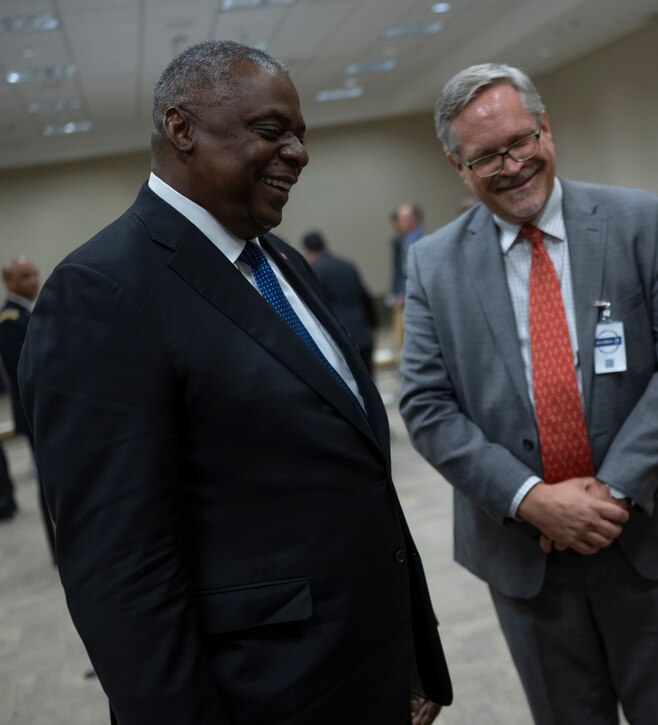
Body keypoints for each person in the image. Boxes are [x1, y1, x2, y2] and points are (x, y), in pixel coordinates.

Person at [19, 40, 451, 724]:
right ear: (181, 128)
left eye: (301, 137)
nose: (299, 154)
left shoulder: (279, 260)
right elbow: (121, 577)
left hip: (366, 669)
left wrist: (404, 655)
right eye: (271, 131)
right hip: (265, 697)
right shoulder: (101, 292)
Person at [399, 63, 658, 724]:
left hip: (648, 535)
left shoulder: (639, 221)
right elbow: (427, 405)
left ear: (547, 128)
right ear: (458, 166)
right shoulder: (432, 265)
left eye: (521, 140)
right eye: (487, 155)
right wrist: (533, 500)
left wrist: (608, 492)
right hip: (525, 556)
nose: (512, 164)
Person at [0, 257, 54, 557]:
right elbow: (28, 371)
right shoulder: (10, 320)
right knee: (48, 480)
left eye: (34, 274)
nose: (33, 280)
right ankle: (59, 546)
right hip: (34, 411)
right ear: (9, 282)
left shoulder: (28, 312)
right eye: (24, 276)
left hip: (45, 410)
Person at [302, 230, 377, 373]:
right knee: (370, 382)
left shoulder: (314, 271)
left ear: (307, 250)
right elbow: (366, 297)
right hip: (362, 332)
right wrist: (373, 325)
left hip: (340, 339)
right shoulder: (347, 265)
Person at [389, 203, 425, 351]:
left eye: (403, 218)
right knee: (403, 336)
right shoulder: (401, 240)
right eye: (399, 219)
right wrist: (397, 292)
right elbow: (398, 269)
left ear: (414, 219)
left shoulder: (423, 238)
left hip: (418, 292)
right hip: (405, 292)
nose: (400, 222)